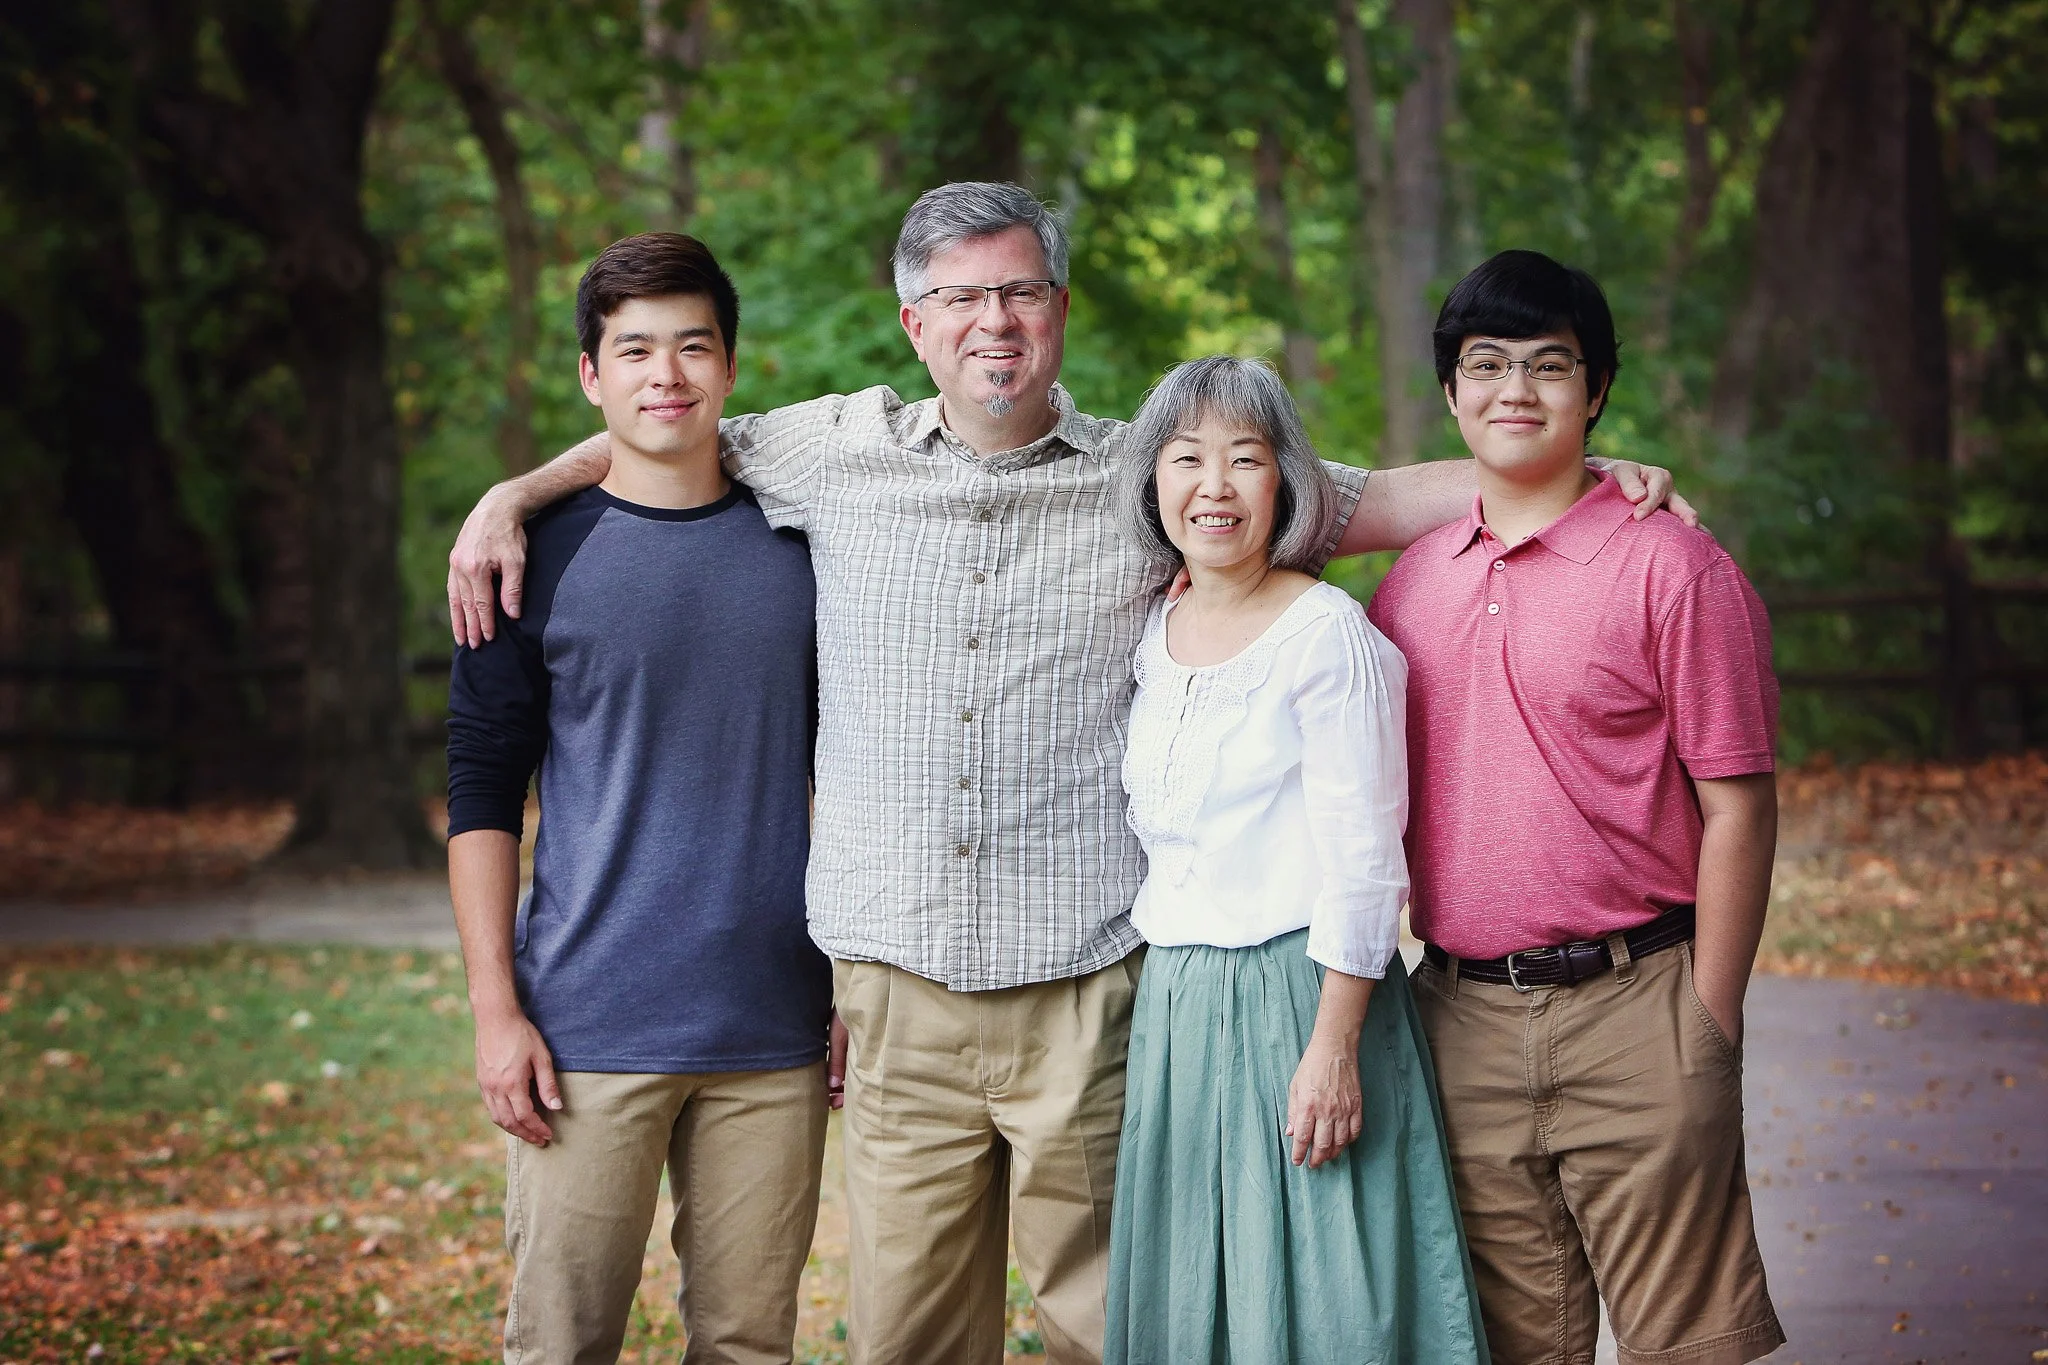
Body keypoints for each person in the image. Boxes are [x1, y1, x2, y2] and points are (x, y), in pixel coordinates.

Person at [447, 183, 1688, 1365]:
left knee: (1111, 1326)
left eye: (1022, 292)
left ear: (1058, 311)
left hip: (1085, 990)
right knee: (906, 1337)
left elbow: (1368, 498)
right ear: (913, 324)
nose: (995, 322)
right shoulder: (828, 453)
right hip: (896, 999)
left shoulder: (1156, 476)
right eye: (962, 298)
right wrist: (513, 495)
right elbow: (658, 424)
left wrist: (1573, 474)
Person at [1369, 249, 1785, 1365]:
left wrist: (1709, 1020)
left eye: (1548, 366)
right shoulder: (1409, 581)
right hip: (1458, 1022)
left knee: (1686, 1347)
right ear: (1450, 391)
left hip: (1639, 1006)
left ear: (1593, 391)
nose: (1515, 390)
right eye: (1485, 364)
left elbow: (1740, 807)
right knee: (1506, 1345)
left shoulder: (1673, 570)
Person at [444, 232, 831, 1365]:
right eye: (634, 350)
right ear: (590, 375)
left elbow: (847, 775)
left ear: (730, 366)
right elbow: (479, 798)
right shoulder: (526, 557)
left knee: (748, 1344)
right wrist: (493, 1011)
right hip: (585, 1026)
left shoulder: (803, 547)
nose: (665, 375)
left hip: (774, 1026)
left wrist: (849, 975)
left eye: (691, 347)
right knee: (561, 1345)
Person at [1103, 356, 1487, 1364]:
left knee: (1329, 1297)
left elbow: (1365, 863)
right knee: (1201, 1297)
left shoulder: (1327, 635)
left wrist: (1332, 1048)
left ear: (1287, 484)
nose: (1213, 487)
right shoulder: (1152, 626)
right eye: (1186, 460)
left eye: (1244, 459)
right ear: (1154, 481)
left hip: (1302, 996)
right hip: (1179, 1006)